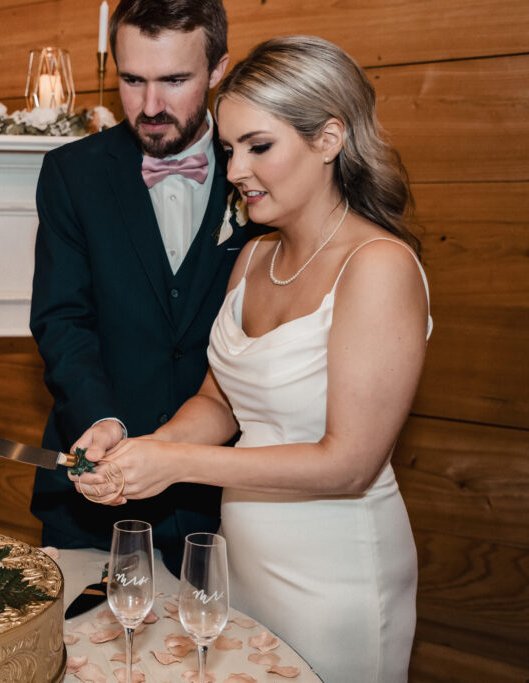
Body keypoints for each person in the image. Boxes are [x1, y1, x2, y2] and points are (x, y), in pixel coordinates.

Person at [75, 35, 430, 681]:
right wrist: (140, 451)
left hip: (337, 574)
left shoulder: (378, 266)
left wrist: (176, 462)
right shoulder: (254, 256)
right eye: (229, 148)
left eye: (258, 146)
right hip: (241, 563)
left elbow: (349, 464)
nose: (235, 170)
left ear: (329, 139)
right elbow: (218, 402)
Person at [29, 0, 265, 574]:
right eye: (133, 81)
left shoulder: (263, 172)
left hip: (225, 496)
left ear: (217, 70)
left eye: (175, 80)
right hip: (92, 493)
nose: (150, 106)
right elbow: (62, 319)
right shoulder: (71, 173)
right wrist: (100, 421)